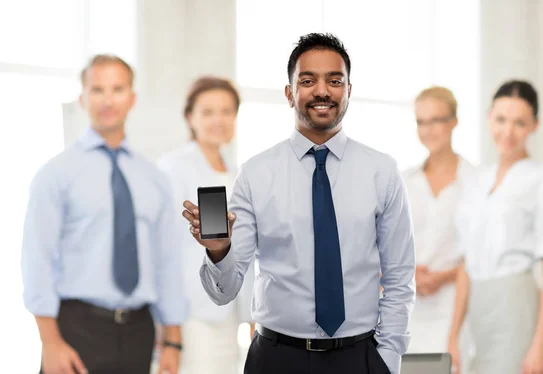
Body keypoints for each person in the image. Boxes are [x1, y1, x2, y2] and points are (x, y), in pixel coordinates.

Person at [182, 32, 416, 374]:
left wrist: (388, 358)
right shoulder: (256, 174)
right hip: (276, 358)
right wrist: (219, 251)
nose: (322, 91)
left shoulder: (382, 172)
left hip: (359, 357)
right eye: (308, 80)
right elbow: (224, 291)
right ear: (290, 93)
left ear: (349, 90)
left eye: (335, 80)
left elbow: (399, 277)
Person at [21, 54, 186, 374]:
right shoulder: (55, 174)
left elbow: (167, 261)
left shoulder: (155, 179)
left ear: (132, 98)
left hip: (140, 330)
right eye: (97, 89)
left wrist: (173, 341)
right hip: (76, 329)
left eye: (117, 89)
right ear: (83, 98)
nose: (108, 99)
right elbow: (37, 261)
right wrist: (50, 342)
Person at [447, 80, 543, 374]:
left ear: (534, 126)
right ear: (489, 117)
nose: (508, 132)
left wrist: (541, 343)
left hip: (517, 306)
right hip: (478, 308)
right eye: (501, 120)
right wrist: (453, 335)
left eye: (520, 123)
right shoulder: (476, 181)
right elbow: (466, 264)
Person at [157, 76, 254, 374]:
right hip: (190, 314)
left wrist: (252, 316)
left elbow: (244, 246)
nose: (219, 120)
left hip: (228, 312)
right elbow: (163, 248)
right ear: (190, 117)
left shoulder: (237, 171)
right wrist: (169, 329)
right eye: (208, 111)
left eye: (227, 111)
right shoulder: (174, 167)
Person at [402, 87, 473, 371]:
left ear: (454, 121)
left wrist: (445, 276)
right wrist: (410, 275)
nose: (428, 130)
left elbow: (479, 254)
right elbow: (379, 247)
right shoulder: (403, 182)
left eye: (436, 120)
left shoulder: (475, 182)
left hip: (454, 311)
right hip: (407, 310)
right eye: (421, 122)